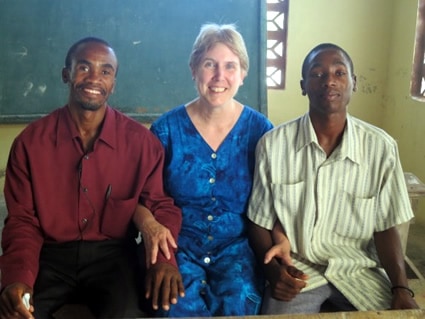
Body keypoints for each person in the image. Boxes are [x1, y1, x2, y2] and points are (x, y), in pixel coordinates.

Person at [0, 37, 184, 319]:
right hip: (48, 255)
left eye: (106, 71)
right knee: (14, 311)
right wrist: (17, 278)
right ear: (66, 74)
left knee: (131, 314)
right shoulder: (30, 143)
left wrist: (164, 261)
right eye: (84, 68)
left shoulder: (141, 143)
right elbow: (22, 221)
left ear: (113, 83)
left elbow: (160, 206)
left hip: (113, 257)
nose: (94, 78)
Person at [247, 43, 419, 314]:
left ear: (354, 83)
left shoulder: (381, 147)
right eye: (317, 74)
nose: (329, 81)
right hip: (298, 270)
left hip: (359, 270)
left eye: (340, 73)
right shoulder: (273, 145)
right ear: (303, 85)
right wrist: (272, 274)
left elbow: (386, 227)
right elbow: (259, 219)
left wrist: (401, 288)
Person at [147, 23, 273, 316]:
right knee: (172, 306)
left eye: (230, 66)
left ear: (243, 73)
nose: (219, 77)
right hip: (179, 248)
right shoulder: (165, 130)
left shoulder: (261, 131)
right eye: (209, 64)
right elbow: (146, 199)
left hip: (237, 251)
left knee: (240, 304)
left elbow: (273, 200)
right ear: (193, 69)